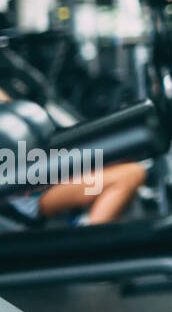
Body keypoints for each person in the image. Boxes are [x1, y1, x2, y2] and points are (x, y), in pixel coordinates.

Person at [0, 89, 147, 227]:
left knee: (121, 155)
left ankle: (85, 224)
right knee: (129, 175)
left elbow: (14, 117)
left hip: (42, 167)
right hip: (24, 193)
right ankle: (87, 246)